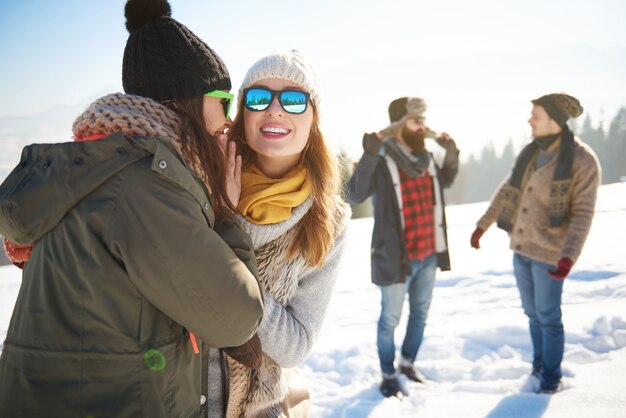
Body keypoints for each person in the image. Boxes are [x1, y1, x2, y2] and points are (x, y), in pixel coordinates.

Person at [0, 1, 264, 417]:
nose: (227, 120)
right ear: (186, 103)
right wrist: (224, 212)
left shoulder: (99, 169)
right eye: (222, 100)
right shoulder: (144, 187)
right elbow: (236, 317)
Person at [209, 49, 351, 418]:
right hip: (180, 397)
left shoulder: (328, 222)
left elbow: (295, 344)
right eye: (259, 98)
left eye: (292, 99)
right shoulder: (203, 177)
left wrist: (227, 231)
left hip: (254, 408)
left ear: (313, 119)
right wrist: (219, 204)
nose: (275, 110)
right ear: (244, 114)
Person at [470, 93, 601, 394]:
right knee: (532, 314)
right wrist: (483, 225)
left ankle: (550, 378)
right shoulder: (531, 152)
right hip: (521, 248)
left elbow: (582, 214)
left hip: (550, 255)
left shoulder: (582, 161)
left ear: (554, 120)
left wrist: (568, 257)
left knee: (549, 318)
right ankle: (539, 365)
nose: (530, 120)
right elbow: (507, 189)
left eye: (536, 115)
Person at [346, 96, 459, 397]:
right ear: (398, 125)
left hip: (429, 255)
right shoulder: (381, 162)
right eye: (415, 120)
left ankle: (408, 363)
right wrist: (369, 154)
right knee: (390, 321)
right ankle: (388, 373)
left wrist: (451, 152)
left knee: (420, 314)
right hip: (396, 259)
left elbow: (446, 180)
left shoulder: (427, 159)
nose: (423, 126)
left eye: (424, 120)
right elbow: (353, 195)